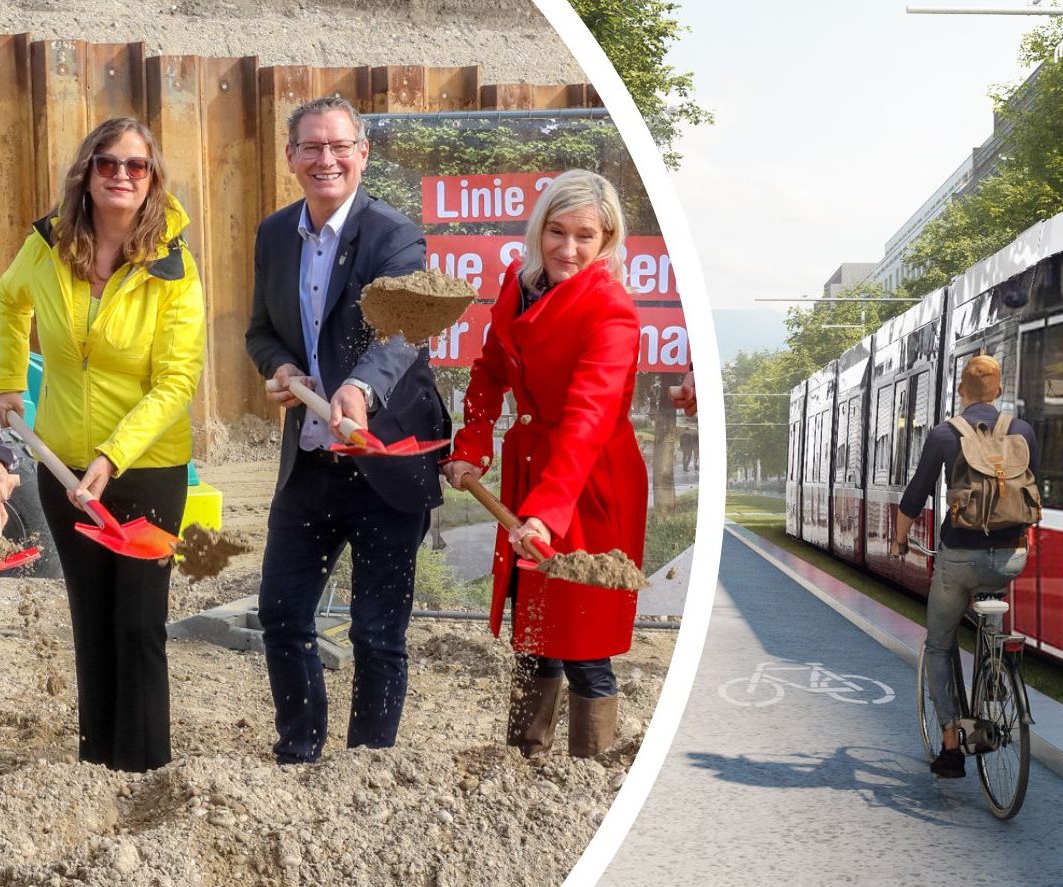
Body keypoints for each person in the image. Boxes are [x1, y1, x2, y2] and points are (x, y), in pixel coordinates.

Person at [245, 96, 449, 765]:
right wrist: (280, 367)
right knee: (282, 613)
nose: (325, 159)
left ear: (362, 154)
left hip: (385, 462)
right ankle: (300, 752)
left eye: (339, 146)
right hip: (310, 463)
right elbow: (262, 330)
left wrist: (358, 389)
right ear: (291, 157)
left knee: (377, 633)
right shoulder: (275, 235)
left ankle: (366, 769)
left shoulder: (395, 236)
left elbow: (402, 328)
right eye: (311, 147)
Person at [0, 116, 205, 772]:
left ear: (151, 182)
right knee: (91, 621)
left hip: (146, 469)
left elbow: (177, 381)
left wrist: (113, 456)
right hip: (62, 466)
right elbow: (8, 304)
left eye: (136, 166)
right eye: (107, 163)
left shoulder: (175, 267)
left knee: (139, 624)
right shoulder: (47, 246)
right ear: (86, 174)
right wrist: (9, 383)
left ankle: (144, 768)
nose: (121, 175)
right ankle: (98, 766)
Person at [442, 169, 647, 760]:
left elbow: (588, 421)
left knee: (583, 638)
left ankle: (590, 770)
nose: (568, 249)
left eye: (585, 236)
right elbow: (489, 368)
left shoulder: (612, 312)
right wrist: (473, 442)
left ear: (607, 241)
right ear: (538, 230)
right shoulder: (519, 280)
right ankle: (525, 760)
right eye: (556, 232)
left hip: (588, 485)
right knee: (534, 631)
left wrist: (548, 513)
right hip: (533, 470)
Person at [893, 354, 1037, 780]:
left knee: (939, 644)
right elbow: (1031, 494)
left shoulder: (944, 433)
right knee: (992, 608)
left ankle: (952, 744)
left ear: (961, 391)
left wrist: (900, 541)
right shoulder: (1023, 431)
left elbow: (915, 496)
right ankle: (994, 676)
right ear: (998, 390)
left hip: (958, 557)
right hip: (1011, 556)